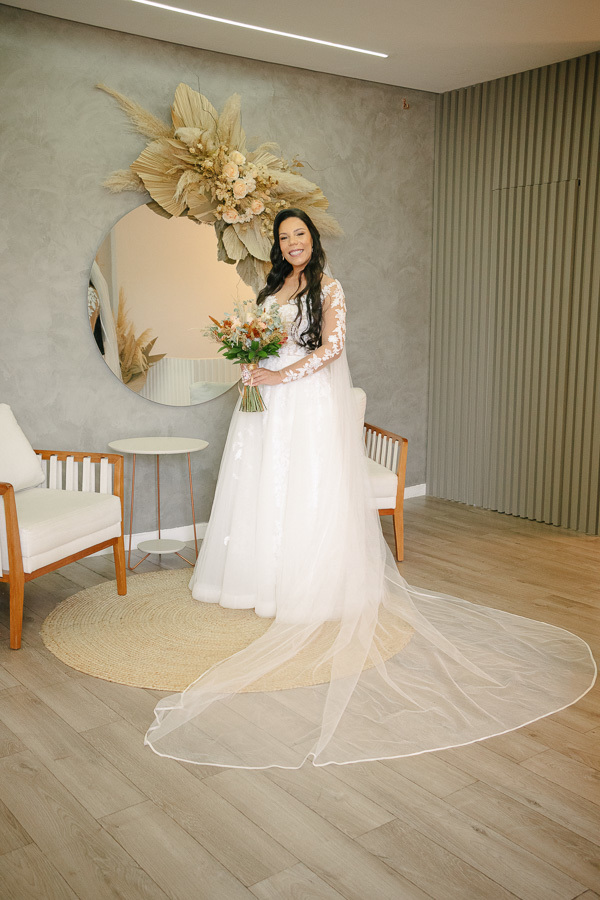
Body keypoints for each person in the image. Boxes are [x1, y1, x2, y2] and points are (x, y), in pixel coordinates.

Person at [145, 209, 595, 769]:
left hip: (303, 398)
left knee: (301, 485)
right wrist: (252, 364)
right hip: (264, 400)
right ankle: (254, 581)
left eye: (300, 235)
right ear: (277, 246)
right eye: (284, 238)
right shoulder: (270, 287)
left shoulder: (328, 287)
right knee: (259, 484)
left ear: (313, 239)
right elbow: (259, 338)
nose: (292, 244)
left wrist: (281, 374)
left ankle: (304, 587)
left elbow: (331, 349)